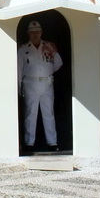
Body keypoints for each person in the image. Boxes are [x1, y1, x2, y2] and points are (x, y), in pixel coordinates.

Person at [17, 19, 63, 151]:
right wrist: (19, 86)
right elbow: (19, 68)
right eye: (32, 32)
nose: (35, 34)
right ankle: (29, 143)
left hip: (47, 83)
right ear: (28, 34)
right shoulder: (23, 49)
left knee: (49, 113)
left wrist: (46, 72)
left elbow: (58, 63)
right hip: (30, 83)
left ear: (41, 32)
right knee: (30, 114)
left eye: (37, 32)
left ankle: (52, 143)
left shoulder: (49, 46)